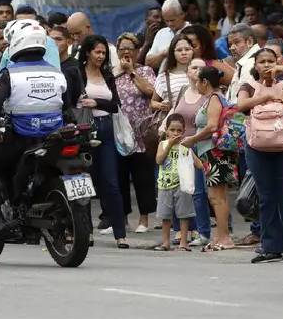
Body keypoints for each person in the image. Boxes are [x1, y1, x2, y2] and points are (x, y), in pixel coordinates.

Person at [0, 22, 73, 236]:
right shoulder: (56, 72)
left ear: (17, 43)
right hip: (53, 139)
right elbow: (67, 106)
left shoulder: (11, 74)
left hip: (21, 139)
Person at [237, 48, 283, 263]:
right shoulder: (248, 85)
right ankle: (270, 247)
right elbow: (241, 105)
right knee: (266, 197)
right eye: (262, 61)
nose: (267, 65)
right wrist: (266, 95)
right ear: (255, 65)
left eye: (271, 61)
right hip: (257, 147)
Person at [78, 34, 129, 247]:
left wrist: (96, 102)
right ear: (87, 52)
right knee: (84, 183)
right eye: (97, 52)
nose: (100, 56)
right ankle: (86, 232)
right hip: (84, 131)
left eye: (103, 53)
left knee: (111, 182)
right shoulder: (77, 73)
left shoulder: (107, 75)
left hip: (106, 128)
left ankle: (120, 234)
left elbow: (115, 105)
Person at [182, 66, 239, 251]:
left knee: (217, 197)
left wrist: (193, 139)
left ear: (205, 82)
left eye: (198, 81)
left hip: (215, 151)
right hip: (212, 152)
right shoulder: (215, 98)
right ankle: (220, 236)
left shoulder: (214, 98)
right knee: (216, 196)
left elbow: (212, 126)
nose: (197, 85)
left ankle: (225, 237)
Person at [114, 32, 158, 234]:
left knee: (143, 177)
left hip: (141, 133)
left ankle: (144, 218)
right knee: (119, 177)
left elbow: (151, 92)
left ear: (137, 51)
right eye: (122, 48)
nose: (126, 52)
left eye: (130, 48)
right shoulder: (112, 73)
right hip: (119, 133)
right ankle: (121, 218)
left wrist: (131, 71)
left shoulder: (145, 71)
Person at [151, 115, 202, 251]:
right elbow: (159, 160)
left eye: (179, 130)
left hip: (182, 185)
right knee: (165, 215)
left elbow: (198, 163)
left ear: (184, 131)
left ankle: (183, 242)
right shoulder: (163, 144)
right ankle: (165, 242)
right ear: (166, 131)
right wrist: (169, 146)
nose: (175, 133)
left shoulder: (185, 146)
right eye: (172, 130)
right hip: (165, 185)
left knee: (184, 215)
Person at [144, 0, 188, 71]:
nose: (170, 24)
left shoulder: (193, 31)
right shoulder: (161, 33)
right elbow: (148, 62)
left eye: (172, 20)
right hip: (163, 76)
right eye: (166, 21)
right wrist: (165, 53)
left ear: (182, 15)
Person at [226, 23, 261, 100]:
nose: (232, 48)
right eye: (230, 44)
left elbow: (241, 101)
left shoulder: (251, 63)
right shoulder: (246, 61)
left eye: (236, 42)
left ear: (250, 42)